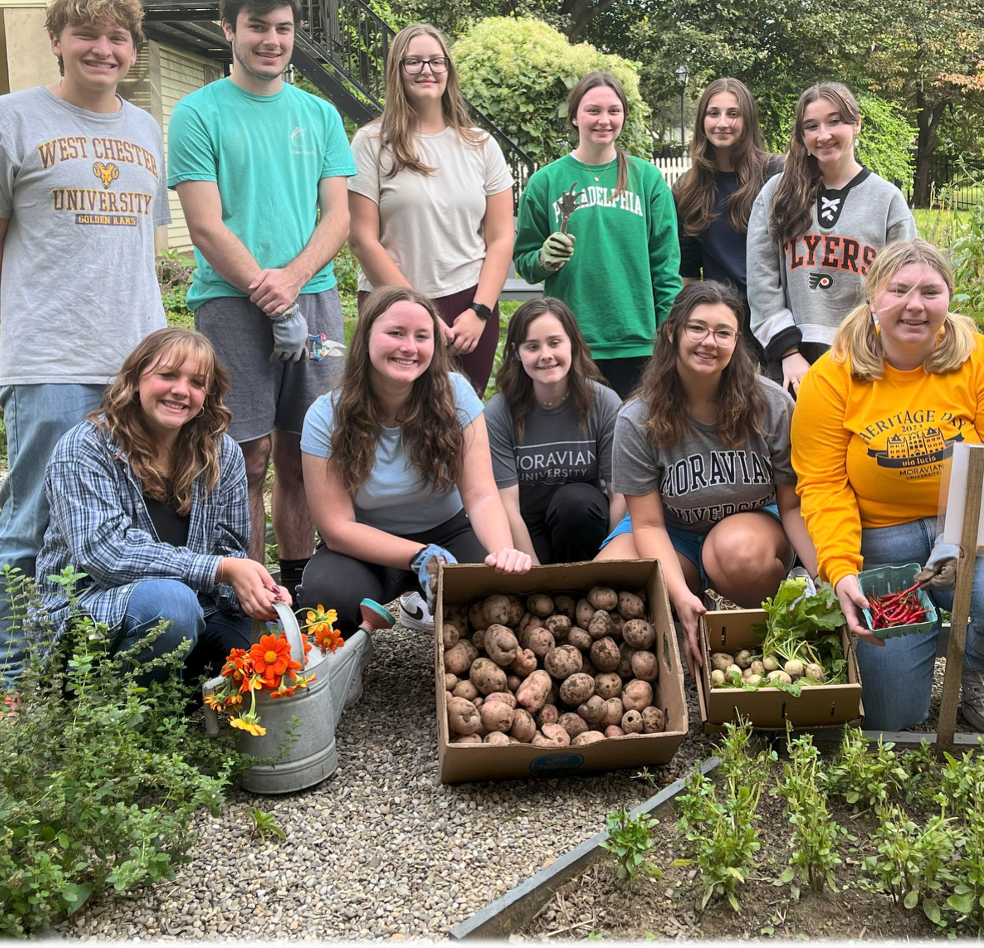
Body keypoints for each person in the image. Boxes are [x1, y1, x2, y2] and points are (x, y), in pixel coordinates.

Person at [0, 0, 170, 682]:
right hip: (50, 358)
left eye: (117, 38)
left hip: (136, 364)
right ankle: (8, 676)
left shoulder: (144, 130)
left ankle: (90, 668)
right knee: (35, 520)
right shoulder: (9, 119)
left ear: (133, 51)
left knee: (123, 521)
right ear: (57, 41)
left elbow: (141, 248)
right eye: (87, 35)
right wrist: (21, 321)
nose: (102, 49)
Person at [791, 239, 984, 733]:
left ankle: (981, 670)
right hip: (882, 537)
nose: (914, 305)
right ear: (872, 295)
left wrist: (962, 536)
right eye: (899, 290)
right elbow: (822, 484)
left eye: (930, 291)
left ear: (949, 297)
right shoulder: (831, 377)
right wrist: (839, 570)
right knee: (892, 717)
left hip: (978, 521)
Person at [169, 0, 355, 599]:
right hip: (228, 301)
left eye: (283, 29)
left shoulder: (320, 114)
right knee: (242, 459)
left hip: (316, 299)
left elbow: (338, 216)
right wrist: (263, 286)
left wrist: (294, 279)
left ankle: (300, 585)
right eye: (257, 28)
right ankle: (250, 594)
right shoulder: (198, 113)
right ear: (229, 30)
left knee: (307, 455)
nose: (272, 41)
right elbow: (203, 224)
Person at [34, 329, 290, 685]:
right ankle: (111, 710)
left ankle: (173, 693)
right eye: (168, 375)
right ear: (136, 381)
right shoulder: (84, 449)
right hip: (91, 615)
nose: (181, 390)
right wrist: (221, 568)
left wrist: (257, 591)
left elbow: (228, 552)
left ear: (207, 395)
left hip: (196, 611)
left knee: (266, 653)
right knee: (172, 605)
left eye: (197, 382)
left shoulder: (223, 454)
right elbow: (105, 554)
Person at [597, 281, 817, 669]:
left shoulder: (772, 405)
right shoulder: (637, 417)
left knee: (737, 553)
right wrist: (680, 594)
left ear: (737, 341)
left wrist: (828, 572)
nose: (708, 341)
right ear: (672, 332)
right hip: (669, 532)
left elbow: (793, 505)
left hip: (749, 530)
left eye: (723, 332)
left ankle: (748, 630)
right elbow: (646, 524)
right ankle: (691, 609)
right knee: (606, 584)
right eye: (697, 328)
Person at [299, 286, 532, 635]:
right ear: (366, 338)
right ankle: (347, 672)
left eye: (422, 336)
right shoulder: (325, 415)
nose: (409, 347)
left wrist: (501, 553)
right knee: (326, 599)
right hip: (366, 541)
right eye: (395, 333)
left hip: (449, 532)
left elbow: (481, 494)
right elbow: (337, 528)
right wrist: (419, 555)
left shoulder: (456, 395)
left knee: (496, 599)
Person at [348, 23, 515, 394]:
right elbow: (361, 239)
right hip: (393, 303)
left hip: (470, 307)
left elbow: (501, 238)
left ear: (449, 70)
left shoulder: (481, 145)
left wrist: (481, 312)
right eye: (414, 62)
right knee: (394, 420)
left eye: (436, 61)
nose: (427, 70)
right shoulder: (371, 142)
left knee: (461, 423)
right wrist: (418, 313)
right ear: (397, 70)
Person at [513, 71, 681, 400]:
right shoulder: (546, 181)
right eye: (593, 110)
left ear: (623, 117)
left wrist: (668, 329)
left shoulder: (646, 179)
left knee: (634, 443)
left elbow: (665, 263)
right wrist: (543, 260)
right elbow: (525, 262)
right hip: (569, 341)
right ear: (574, 116)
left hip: (638, 340)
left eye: (613, 111)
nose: (604, 120)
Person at [746, 81, 916, 393]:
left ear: (857, 124)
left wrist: (874, 342)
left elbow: (903, 283)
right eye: (811, 126)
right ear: (802, 135)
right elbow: (761, 279)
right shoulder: (776, 193)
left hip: (867, 356)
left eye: (834, 121)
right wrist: (788, 352)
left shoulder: (887, 199)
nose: (823, 135)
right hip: (793, 362)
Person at [486, 298, 625, 565]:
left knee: (574, 501)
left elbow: (619, 496)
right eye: (532, 346)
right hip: (528, 527)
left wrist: (611, 564)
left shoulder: (604, 403)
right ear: (517, 352)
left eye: (555, 342)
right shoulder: (499, 413)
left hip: (584, 521)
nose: (545, 355)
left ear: (572, 343)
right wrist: (533, 573)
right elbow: (508, 508)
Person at [674, 77, 783, 362]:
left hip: (779, 311)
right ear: (702, 121)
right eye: (714, 113)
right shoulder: (686, 188)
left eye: (733, 114)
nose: (722, 123)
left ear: (747, 120)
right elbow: (688, 270)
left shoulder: (776, 173)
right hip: (722, 318)